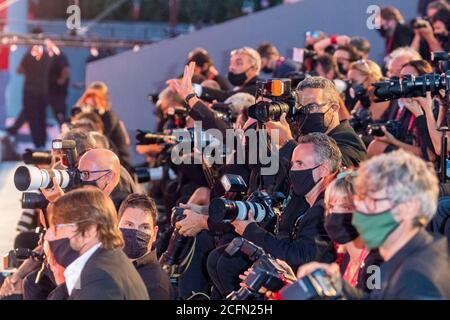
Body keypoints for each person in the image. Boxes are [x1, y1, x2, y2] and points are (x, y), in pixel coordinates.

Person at [298, 150, 450, 300]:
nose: (359, 212)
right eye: (360, 200)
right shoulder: (403, 256)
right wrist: (340, 286)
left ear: (409, 207)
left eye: (372, 202)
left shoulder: (418, 280)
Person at [206, 133, 341, 298]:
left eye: (300, 164)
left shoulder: (326, 207)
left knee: (231, 267)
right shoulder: (303, 196)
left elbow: (299, 257)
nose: (292, 171)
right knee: (221, 259)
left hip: (308, 287)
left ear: (323, 170)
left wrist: (251, 230)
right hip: (290, 273)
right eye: (292, 164)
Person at [45, 187, 149, 299]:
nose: (47, 235)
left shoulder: (100, 281)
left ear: (89, 231)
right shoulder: (106, 264)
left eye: (57, 228)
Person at [265, 76, 368, 169]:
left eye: (312, 106)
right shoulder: (303, 136)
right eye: (300, 107)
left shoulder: (349, 142)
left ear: (334, 108)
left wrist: (287, 142)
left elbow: (325, 170)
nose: (305, 112)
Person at [324, 171, 383, 292]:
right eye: (331, 207)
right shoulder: (347, 257)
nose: (336, 213)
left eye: (346, 207)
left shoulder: (376, 262)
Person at [118, 194, 173, 300]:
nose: (136, 232)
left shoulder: (156, 285)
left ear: (154, 233)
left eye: (144, 227)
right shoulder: (110, 262)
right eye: (129, 224)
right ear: (116, 226)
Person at [6, 27, 50, 149]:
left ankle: (37, 142)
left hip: (30, 89)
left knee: (32, 116)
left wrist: (29, 71)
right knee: (40, 116)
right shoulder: (46, 54)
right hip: (43, 89)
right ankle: (41, 141)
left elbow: (19, 70)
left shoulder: (29, 54)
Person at [75, 81, 132, 173]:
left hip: (118, 164)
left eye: (95, 97)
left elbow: (99, 139)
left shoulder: (109, 117)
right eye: (89, 96)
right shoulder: (89, 115)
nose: (91, 100)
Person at [47, 49, 70, 125]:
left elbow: (66, 70)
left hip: (58, 93)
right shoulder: (50, 58)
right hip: (51, 91)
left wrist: (61, 80)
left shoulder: (60, 57)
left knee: (60, 115)